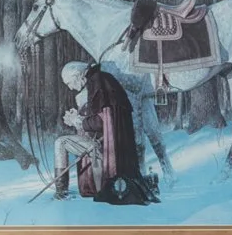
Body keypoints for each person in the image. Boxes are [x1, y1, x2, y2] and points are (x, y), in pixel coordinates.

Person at [52, 60, 156, 205]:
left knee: (60, 142)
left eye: (69, 82)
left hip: (104, 148)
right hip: (109, 146)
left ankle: (61, 192)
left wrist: (78, 121)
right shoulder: (100, 80)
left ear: (77, 75)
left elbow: (102, 121)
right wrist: (79, 117)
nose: (71, 87)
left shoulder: (98, 83)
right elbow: (103, 117)